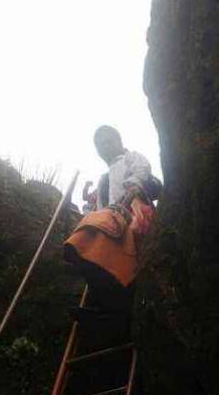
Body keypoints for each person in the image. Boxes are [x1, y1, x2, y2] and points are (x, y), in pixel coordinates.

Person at [64, 125, 161, 321]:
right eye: (100, 146)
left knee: (96, 232)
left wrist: (132, 188)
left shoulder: (130, 157)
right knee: (94, 247)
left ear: (119, 141)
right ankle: (107, 304)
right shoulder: (104, 178)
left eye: (108, 142)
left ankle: (115, 305)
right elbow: (100, 205)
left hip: (132, 210)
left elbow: (141, 170)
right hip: (110, 219)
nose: (105, 148)